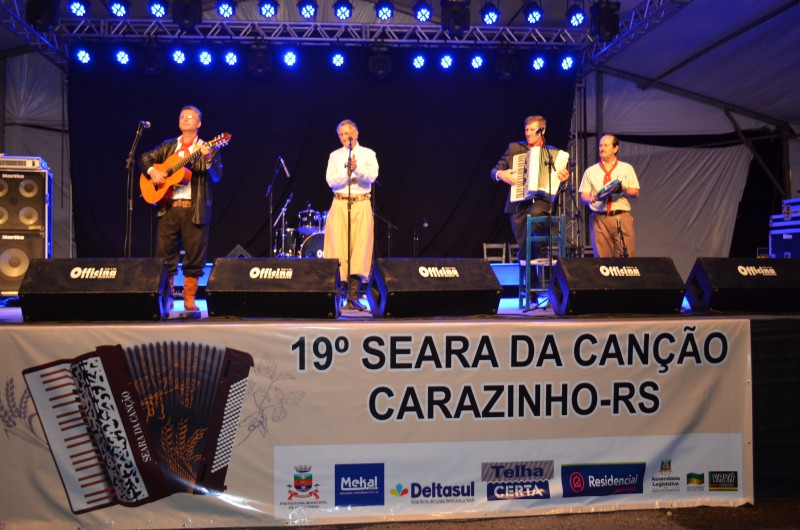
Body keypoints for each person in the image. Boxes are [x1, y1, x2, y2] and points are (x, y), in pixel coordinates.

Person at [139, 105, 222, 314]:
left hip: (194, 209)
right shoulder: (168, 146)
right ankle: (167, 298)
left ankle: (189, 299)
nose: (185, 119)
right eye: (182, 116)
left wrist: (208, 158)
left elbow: (217, 175)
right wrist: (152, 171)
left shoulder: (207, 147)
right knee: (164, 256)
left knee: (194, 257)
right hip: (168, 207)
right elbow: (145, 158)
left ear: (199, 123)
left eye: (190, 117)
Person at [491, 115, 570, 263]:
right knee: (524, 246)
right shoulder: (515, 148)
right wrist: (501, 174)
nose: (528, 133)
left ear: (542, 130)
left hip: (542, 201)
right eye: (526, 130)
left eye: (532, 130)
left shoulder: (553, 153)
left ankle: (539, 259)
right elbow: (493, 171)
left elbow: (559, 186)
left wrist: (563, 180)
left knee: (536, 218)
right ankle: (528, 270)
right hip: (518, 203)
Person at [323, 119, 379, 311]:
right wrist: (347, 173)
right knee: (338, 249)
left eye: (347, 134)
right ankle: (339, 296)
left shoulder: (368, 154)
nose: (343, 138)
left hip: (361, 203)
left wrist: (357, 169)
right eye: (340, 134)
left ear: (355, 134)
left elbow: (372, 176)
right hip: (340, 203)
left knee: (360, 249)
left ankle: (353, 297)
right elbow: (331, 181)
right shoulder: (334, 156)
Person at [578, 134, 640, 258]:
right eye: (600, 145)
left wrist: (622, 189)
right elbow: (583, 196)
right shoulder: (590, 171)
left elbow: (635, 192)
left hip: (620, 217)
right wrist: (590, 198)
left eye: (606, 145)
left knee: (626, 258)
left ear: (615, 148)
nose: (602, 148)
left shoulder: (626, 168)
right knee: (603, 261)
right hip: (599, 219)